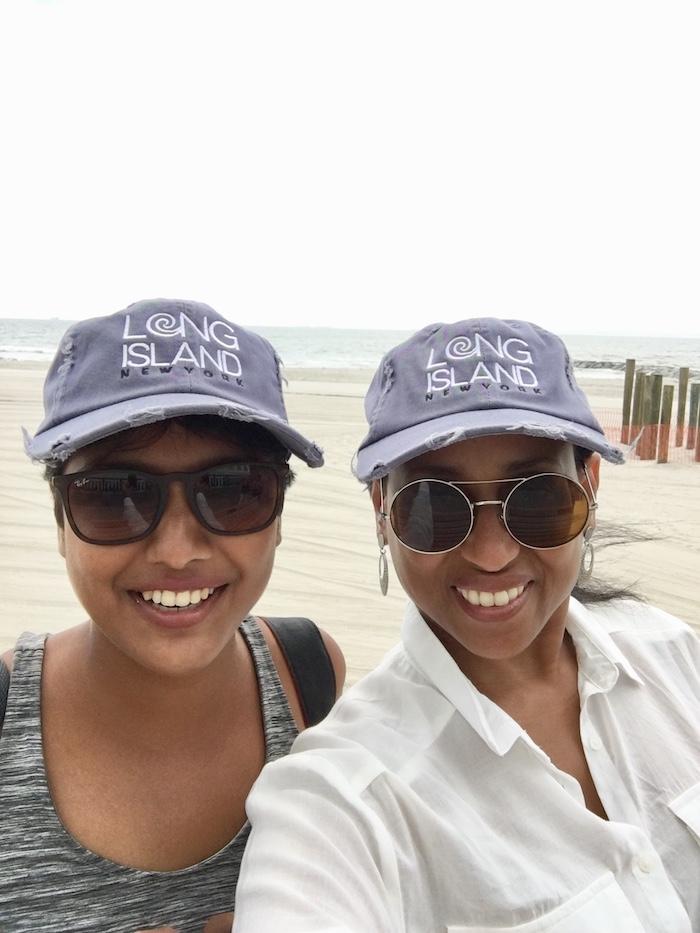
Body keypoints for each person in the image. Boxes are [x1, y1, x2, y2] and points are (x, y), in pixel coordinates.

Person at [233, 317, 700, 932]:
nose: (491, 555)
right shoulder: (345, 796)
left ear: (588, 486)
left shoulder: (677, 657)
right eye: (434, 506)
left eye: (536, 498)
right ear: (382, 512)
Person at [0, 298, 345, 933]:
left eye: (234, 490)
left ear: (277, 518)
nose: (178, 551)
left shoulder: (310, 672)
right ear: (59, 522)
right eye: (115, 495)